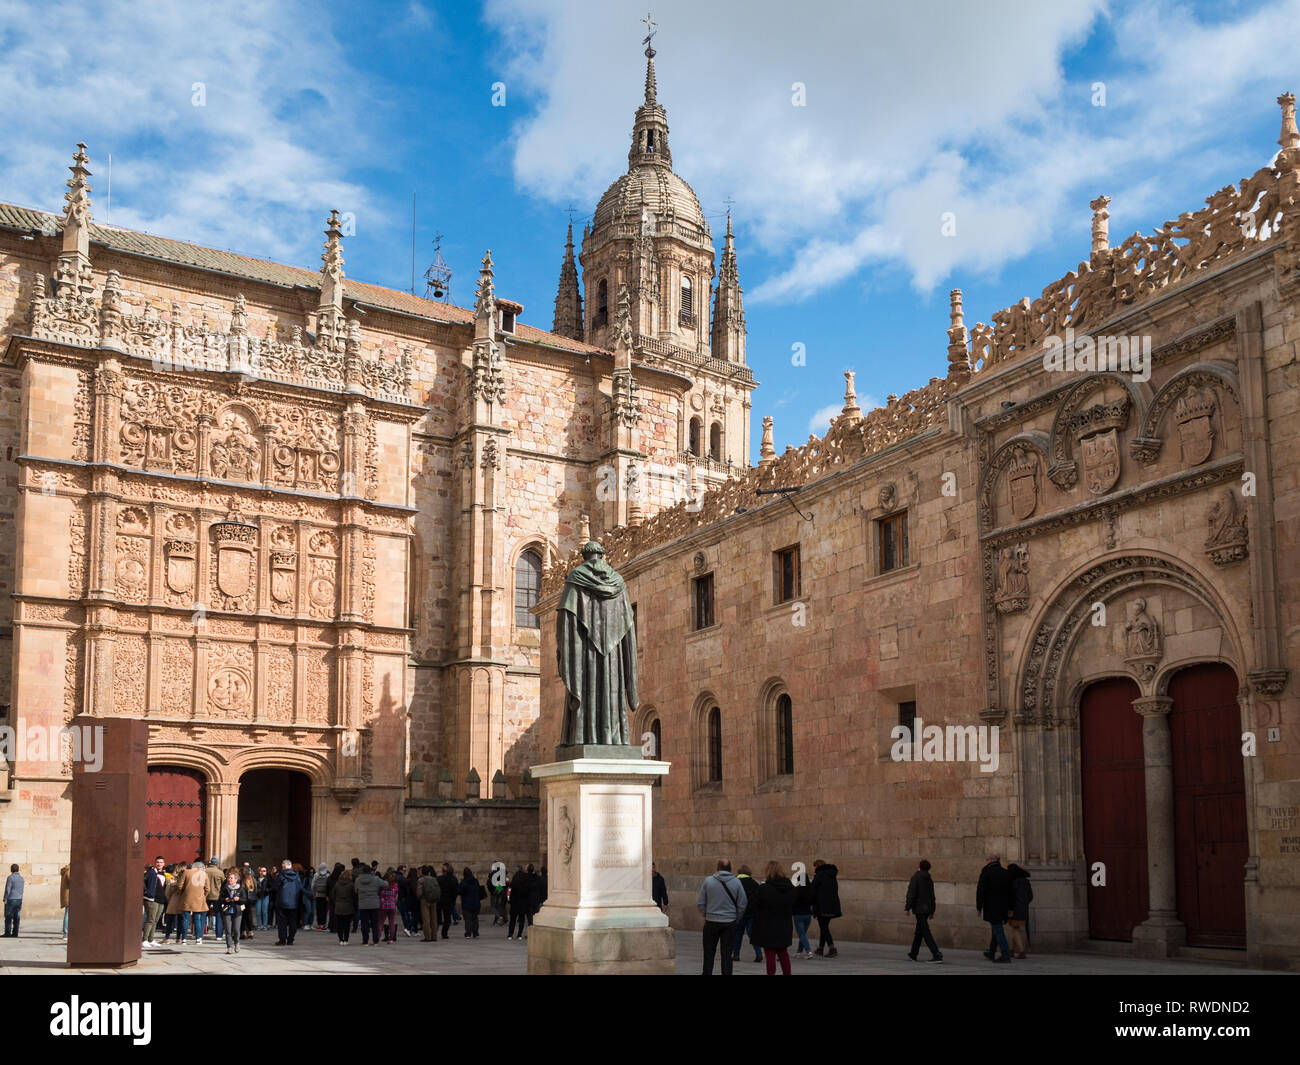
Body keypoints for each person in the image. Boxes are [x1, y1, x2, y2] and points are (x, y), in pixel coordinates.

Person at [696, 858, 744, 976]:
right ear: (730, 869)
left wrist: (707, 915)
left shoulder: (708, 881)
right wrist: (736, 918)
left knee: (708, 953)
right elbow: (742, 904)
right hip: (729, 922)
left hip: (711, 922)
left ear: (717, 868)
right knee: (727, 954)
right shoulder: (737, 882)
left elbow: (700, 902)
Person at [752, 861, 796, 976]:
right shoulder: (790, 887)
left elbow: (755, 905)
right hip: (784, 925)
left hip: (768, 926)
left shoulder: (764, 889)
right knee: (783, 953)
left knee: (770, 954)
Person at [976, 852, 1013, 963]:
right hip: (1003, 906)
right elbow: (1011, 892)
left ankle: (1005, 954)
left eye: (988, 859)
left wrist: (979, 906)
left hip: (992, 906)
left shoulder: (986, 872)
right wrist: (1011, 908)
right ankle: (991, 952)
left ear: (991, 860)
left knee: (998, 929)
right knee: (995, 929)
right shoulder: (1005, 873)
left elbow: (980, 890)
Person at [904, 858, 943, 962]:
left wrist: (908, 907)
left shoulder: (916, 877)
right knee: (919, 932)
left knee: (925, 931)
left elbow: (911, 893)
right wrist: (932, 910)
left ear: (919, 867)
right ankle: (913, 954)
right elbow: (932, 896)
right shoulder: (929, 879)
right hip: (927, 908)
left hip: (919, 908)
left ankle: (936, 954)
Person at [731, 864, 762, 963]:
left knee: (737, 934)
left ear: (739, 872)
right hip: (752, 913)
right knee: (752, 934)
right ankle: (758, 953)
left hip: (740, 913)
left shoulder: (735, 882)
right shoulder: (755, 883)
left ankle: (736, 955)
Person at [811, 858, 841, 958]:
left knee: (823, 927)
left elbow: (813, 889)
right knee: (824, 927)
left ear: (817, 867)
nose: (814, 869)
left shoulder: (819, 875)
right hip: (831, 906)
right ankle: (820, 948)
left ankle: (832, 948)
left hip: (822, 906)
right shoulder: (832, 876)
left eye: (815, 867)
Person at [218, 868, 249, 955]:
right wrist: (225, 899)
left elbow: (245, 900)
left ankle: (236, 943)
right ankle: (229, 947)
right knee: (228, 930)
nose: (229, 879)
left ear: (236, 879)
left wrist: (238, 899)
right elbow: (220, 899)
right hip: (227, 910)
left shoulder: (241, 889)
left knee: (236, 929)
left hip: (237, 910)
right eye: (229, 878)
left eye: (231, 878)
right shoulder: (225, 888)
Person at [179, 860, 210, 945]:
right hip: (199, 899)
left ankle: (184, 939)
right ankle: (198, 938)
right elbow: (207, 889)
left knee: (185, 919)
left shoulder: (186, 872)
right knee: (197, 919)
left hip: (187, 898)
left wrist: (183, 894)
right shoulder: (204, 874)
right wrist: (203, 896)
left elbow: (180, 886)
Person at [275, 859, 304, 946]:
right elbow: (300, 887)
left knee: (282, 922)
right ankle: (290, 939)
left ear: (283, 866)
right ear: (290, 866)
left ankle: (282, 940)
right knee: (293, 921)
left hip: (282, 901)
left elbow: (276, 887)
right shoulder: (297, 875)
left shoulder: (281, 875)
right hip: (294, 902)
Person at [1007, 863, 1033, 959]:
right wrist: (1024, 904)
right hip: (1023, 909)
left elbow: (1011, 897)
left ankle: (1021, 951)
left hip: (1014, 909)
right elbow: (1030, 896)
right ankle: (1011, 950)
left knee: (1015, 929)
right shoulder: (1026, 882)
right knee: (1014, 928)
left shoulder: (1013, 882)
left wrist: (1010, 909)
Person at [354, 862, 383, 945]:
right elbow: (386, 884)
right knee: (374, 923)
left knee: (364, 924)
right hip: (374, 904)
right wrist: (377, 889)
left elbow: (356, 890)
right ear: (370, 871)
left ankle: (365, 941)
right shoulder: (376, 879)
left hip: (363, 904)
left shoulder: (358, 879)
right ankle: (376, 940)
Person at [142, 856, 167, 947]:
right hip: (152, 899)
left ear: (164, 864)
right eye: (157, 862)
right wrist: (147, 893)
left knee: (155, 920)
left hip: (160, 900)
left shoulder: (163, 874)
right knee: (150, 919)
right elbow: (143, 882)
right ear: (155, 863)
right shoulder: (151, 872)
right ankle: (144, 940)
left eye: (161, 862)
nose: (159, 864)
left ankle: (151, 939)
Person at [792, 867, 814, 959]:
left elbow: (793, 902)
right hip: (808, 914)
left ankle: (809, 951)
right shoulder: (810, 889)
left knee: (801, 934)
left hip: (798, 915)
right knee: (803, 933)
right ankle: (799, 951)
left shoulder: (796, 890)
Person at [331, 868, 356, 944]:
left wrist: (336, 902)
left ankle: (340, 939)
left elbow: (333, 895)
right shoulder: (351, 884)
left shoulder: (337, 884)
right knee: (347, 924)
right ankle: (346, 939)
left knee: (340, 924)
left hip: (338, 906)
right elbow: (354, 896)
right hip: (348, 906)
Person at [417, 865, 441, 941]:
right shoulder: (434, 879)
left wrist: (420, 897)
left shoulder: (421, 880)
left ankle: (427, 937)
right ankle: (434, 936)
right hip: (434, 900)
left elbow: (419, 892)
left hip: (425, 900)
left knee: (426, 919)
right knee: (434, 919)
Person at [458, 867, 482, 939]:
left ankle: (468, 933)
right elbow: (478, 890)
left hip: (466, 903)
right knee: (475, 918)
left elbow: (460, 891)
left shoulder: (463, 882)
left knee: (467, 919)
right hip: (476, 902)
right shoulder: (475, 881)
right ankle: (475, 933)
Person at [436, 863, 459, 939]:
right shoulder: (454, 879)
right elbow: (456, 891)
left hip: (439, 900)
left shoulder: (439, 879)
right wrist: (453, 900)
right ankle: (444, 933)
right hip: (449, 901)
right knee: (447, 919)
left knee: (437, 919)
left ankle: (434, 932)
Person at [204, 855, 224, 940]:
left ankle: (200, 934)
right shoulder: (220, 872)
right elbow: (223, 883)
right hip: (217, 896)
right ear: (217, 863)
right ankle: (219, 935)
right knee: (218, 915)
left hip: (206, 895)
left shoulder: (205, 871)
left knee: (203, 915)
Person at [507, 865, 529, 941]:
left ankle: (510, 934)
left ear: (517, 870)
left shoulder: (514, 878)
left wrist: (509, 900)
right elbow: (527, 891)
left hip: (514, 902)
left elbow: (509, 890)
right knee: (522, 919)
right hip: (522, 902)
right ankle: (519, 935)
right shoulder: (526, 878)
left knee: (512, 919)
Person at [379, 871, 400, 944]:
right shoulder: (395, 886)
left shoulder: (383, 885)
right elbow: (396, 896)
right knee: (391, 922)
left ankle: (377, 937)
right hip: (392, 905)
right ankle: (391, 939)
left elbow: (380, 894)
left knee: (381, 922)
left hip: (384, 905)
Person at [3, 863, 23, 938]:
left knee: (8, 917)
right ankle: (15, 933)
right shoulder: (21, 878)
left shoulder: (10, 878)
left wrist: (5, 898)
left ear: (11, 869)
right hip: (19, 899)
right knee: (16, 917)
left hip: (11, 899)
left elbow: (8, 889)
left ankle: (7, 933)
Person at [240, 866, 259, 939]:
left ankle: (243, 932)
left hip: (243, 901)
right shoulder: (252, 880)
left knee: (243, 917)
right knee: (249, 916)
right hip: (251, 901)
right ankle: (250, 931)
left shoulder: (242, 880)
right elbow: (255, 890)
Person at [312, 864, 330, 931]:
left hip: (317, 895)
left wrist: (314, 894)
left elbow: (313, 885)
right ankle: (323, 925)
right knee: (324, 911)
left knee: (318, 910)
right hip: (325, 896)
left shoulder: (316, 875)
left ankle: (319, 925)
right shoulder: (328, 875)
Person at [255, 866, 271, 930]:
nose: (264, 872)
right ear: (259, 871)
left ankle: (265, 925)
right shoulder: (256, 878)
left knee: (265, 911)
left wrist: (267, 890)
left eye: (265, 871)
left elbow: (272, 887)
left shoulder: (268, 878)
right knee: (258, 911)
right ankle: (259, 925)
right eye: (262, 871)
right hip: (258, 896)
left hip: (265, 896)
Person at [59, 864, 71, 939]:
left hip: (67, 896)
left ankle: (66, 932)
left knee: (68, 913)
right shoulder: (69, 871)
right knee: (68, 913)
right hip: (69, 896)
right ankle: (65, 933)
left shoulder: (66, 870)